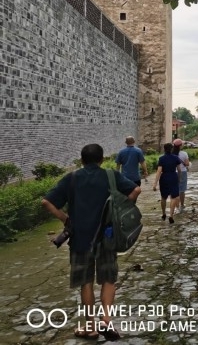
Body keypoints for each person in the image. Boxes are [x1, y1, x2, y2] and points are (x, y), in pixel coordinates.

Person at [42, 143, 140, 341]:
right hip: (107, 238)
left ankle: (91, 328)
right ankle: (106, 320)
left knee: (85, 283)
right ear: (101, 159)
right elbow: (136, 190)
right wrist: (121, 209)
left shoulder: (72, 178)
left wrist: (65, 219)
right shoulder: (111, 176)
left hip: (80, 240)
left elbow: (46, 202)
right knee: (108, 279)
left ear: (82, 160)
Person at [153, 142, 181, 224]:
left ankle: (163, 213)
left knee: (163, 197)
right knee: (174, 197)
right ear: (172, 149)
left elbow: (159, 171)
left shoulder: (161, 158)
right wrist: (179, 178)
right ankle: (171, 215)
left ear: (164, 149)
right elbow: (179, 170)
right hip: (173, 177)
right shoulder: (176, 158)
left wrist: (155, 183)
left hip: (164, 178)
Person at [173, 139, 190, 213]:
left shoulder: (171, 154)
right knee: (182, 190)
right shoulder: (184, 153)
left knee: (174, 189)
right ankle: (182, 205)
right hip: (182, 172)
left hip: (173, 172)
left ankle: (175, 206)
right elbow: (187, 164)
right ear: (180, 146)